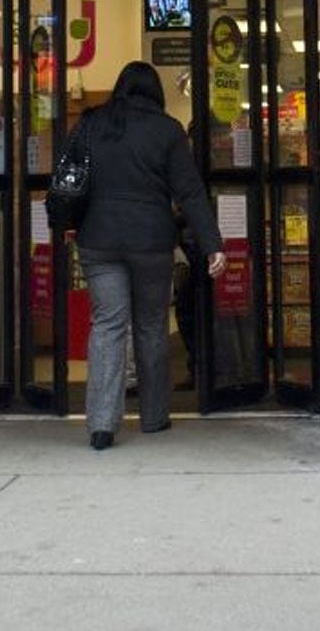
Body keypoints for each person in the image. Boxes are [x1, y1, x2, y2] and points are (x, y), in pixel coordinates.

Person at [73, 61, 225, 450]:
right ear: (155, 92)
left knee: (107, 325)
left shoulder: (91, 123)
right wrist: (212, 244)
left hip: (99, 240)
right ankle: (154, 416)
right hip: (150, 242)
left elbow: (70, 178)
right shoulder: (167, 130)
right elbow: (189, 192)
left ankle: (102, 426)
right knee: (151, 325)